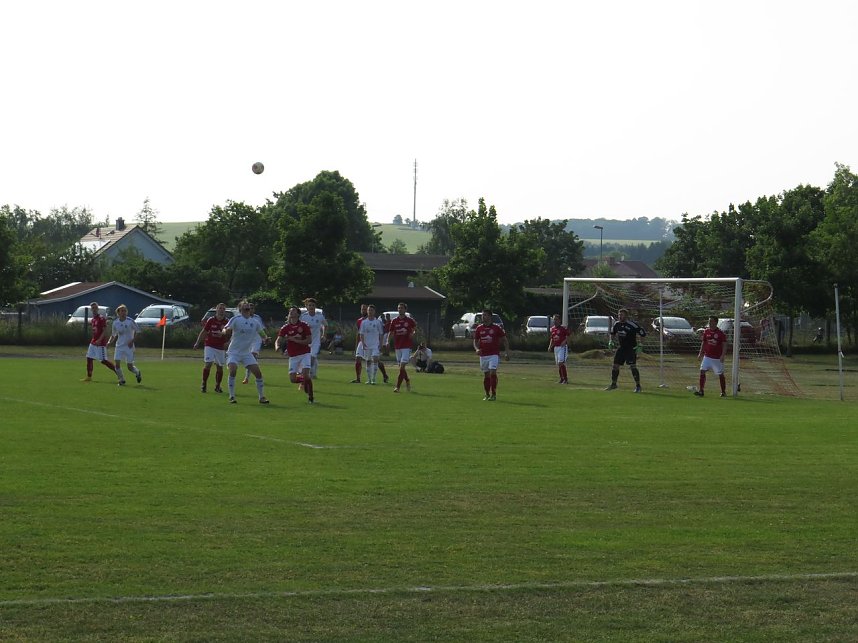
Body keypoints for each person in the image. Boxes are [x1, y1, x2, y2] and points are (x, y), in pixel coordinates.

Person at [223, 300, 269, 404]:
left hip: (246, 353)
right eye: (245, 305)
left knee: (258, 373)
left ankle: (261, 397)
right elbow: (226, 328)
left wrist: (265, 338)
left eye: (248, 305)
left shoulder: (255, 322)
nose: (247, 307)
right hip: (234, 352)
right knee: (233, 370)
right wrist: (225, 331)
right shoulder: (236, 319)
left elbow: (261, 332)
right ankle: (232, 396)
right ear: (240, 309)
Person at [276, 306, 315, 404]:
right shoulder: (285, 327)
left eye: (293, 311)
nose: (291, 313)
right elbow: (278, 339)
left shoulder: (304, 325)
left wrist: (296, 340)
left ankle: (311, 396)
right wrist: (277, 346)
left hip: (304, 353)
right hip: (293, 356)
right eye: (290, 312)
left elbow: (309, 340)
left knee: (306, 374)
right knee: (293, 380)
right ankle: (305, 382)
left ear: (298, 314)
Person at [605, 308, 646, 392]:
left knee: (632, 366)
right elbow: (612, 333)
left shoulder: (632, 325)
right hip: (621, 348)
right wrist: (611, 341)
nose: (620, 316)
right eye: (619, 315)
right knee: (615, 365)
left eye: (622, 315)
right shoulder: (617, 324)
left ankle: (638, 386)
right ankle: (613, 384)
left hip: (631, 349)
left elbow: (642, 333)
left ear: (626, 316)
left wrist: (640, 345)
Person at [473, 309, 510, 401]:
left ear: (490, 316)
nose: (483, 317)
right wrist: (477, 349)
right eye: (482, 315)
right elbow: (475, 341)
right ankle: (487, 394)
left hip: (493, 354)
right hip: (483, 355)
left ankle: (493, 394)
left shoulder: (496, 328)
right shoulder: (479, 328)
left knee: (493, 372)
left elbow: (505, 340)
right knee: (486, 375)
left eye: (485, 315)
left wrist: (507, 353)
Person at [82, 301, 121, 383]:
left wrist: (99, 340)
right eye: (92, 308)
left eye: (95, 308)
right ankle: (89, 377)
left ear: (98, 308)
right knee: (89, 358)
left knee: (103, 361)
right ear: (91, 310)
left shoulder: (101, 318)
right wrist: (95, 340)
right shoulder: (93, 320)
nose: (94, 309)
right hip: (93, 342)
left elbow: (104, 330)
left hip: (100, 343)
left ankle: (119, 374)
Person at [193, 302, 228, 393]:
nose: (221, 310)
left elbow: (229, 332)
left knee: (219, 367)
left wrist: (227, 341)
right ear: (216, 309)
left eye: (223, 309)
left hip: (220, 347)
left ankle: (218, 386)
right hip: (210, 345)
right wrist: (197, 342)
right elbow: (204, 331)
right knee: (208, 364)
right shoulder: (211, 320)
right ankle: (204, 383)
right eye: (220, 308)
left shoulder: (227, 321)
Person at [106, 304, 142, 386]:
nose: (123, 312)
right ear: (118, 313)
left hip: (129, 347)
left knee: (129, 367)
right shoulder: (115, 323)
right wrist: (109, 342)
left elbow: (138, 332)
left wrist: (132, 341)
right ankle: (121, 380)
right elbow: (113, 335)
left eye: (125, 311)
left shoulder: (130, 321)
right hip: (119, 346)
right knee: (117, 364)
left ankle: (137, 372)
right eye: (122, 311)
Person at [695, 315, 728, 397]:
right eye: (709, 321)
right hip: (707, 356)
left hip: (717, 358)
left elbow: (724, 345)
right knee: (702, 371)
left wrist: (723, 355)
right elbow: (703, 343)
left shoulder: (720, 333)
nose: (710, 323)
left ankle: (723, 392)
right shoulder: (706, 331)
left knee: (720, 374)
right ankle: (701, 390)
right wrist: (700, 353)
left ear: (716, 322)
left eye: (711, 321)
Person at [389, 302, 417, 392]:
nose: (400, 309)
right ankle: (407, 380)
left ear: (405, 310)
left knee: (402, 367)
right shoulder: (394, 321)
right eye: (398, 308)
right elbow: (391, 332)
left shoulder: (409, 320)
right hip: (398, 346)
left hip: (406, 346)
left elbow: (414, 329)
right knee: (402, 368)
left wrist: (412, 334)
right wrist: (386, 341)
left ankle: (397, 387)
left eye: (401, 308)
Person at [300, 297, 327, 379]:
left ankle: (306, 373)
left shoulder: (320, 316)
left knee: (312, 357)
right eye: (309, 305)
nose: (311, 307)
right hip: (305, 341)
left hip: (315, 341)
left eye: (313, 305)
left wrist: (324, 335)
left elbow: (325, 325)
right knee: (306, 357)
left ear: (315, 306)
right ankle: (312, 373)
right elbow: (299, 327)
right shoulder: (303, 317)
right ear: (307, 307)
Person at [359, 304, 386, 385]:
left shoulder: (377, 322)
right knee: (368, 361)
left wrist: (381, 343)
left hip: (375, 345)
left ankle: (374, 379)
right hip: (367, 345)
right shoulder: (364, 322)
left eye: (371, 310)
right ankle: (369, 379)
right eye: (368, 310)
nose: (370, 312)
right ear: (367, 311)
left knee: (375, 359)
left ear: (374, 312)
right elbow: (361, 334)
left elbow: (381, 334)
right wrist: (363, 344)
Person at [242, 302, 265, 384]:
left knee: (252, 356)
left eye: (252, 308)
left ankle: (247, 377)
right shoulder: (243, 318)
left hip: (256, 340)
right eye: (249, 308)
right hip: (247, 341)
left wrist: (264, 338)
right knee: (250, 359)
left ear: (254, 310)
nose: (250, 310)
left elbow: (261, 330)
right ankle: (257, 372)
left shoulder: (257, 318)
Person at [548, 313, 570, 384]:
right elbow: (552, 338)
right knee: (558, 364)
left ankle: (565, 379)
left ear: (559, 320)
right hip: (556, 348)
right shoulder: (553, 329)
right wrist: (550, 346)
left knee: (561, 362)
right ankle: (561, 379)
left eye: (556, 319)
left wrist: (564, 341)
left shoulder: (563, 328)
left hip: (562, 347)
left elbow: (568, 336)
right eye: (554, 319)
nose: (555, 321)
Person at [351, 303, 368, 383]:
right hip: (362, 342)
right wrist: (356, 345)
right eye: (362, 309)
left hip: (371, 342)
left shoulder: (373, 320)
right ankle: (358, 378)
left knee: (375, 361)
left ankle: (385, 375)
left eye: (365, 309)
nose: (363, 311)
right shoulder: (359, 321)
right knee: (358, 359)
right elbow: (358, 334)